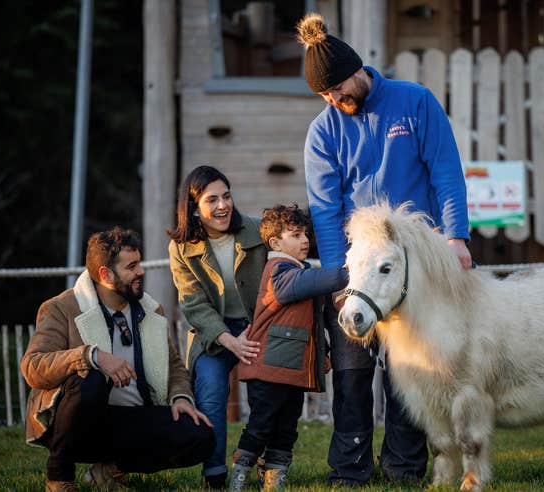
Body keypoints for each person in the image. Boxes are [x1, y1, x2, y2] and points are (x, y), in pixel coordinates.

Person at [296, 12, 473, 486]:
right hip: (361, 269)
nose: (335, 99)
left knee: (407, 373)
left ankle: (402, 468)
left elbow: (446, 173)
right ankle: (349, 470)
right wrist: (339, 279)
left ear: (357, 69)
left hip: (417, 265)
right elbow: (326, 211)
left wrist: (456, 237)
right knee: (352, 374)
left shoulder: (415, 102)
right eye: (325, 95)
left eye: (338, 88)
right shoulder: (323, 132)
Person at [22, 227, 215, 492]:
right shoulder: (62, 307)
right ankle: (59, 478)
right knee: (89, 380)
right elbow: (33, 366)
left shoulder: (151, 310)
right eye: (132, 266)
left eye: (140, 263)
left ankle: (109, 470)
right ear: (106, 274)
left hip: (132, 420)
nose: (141, 272)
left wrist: (181, 396)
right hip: (79, 424)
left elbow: (174, 366)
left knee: (201, 436)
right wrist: (92, 356)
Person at [228, 204, 348, 490]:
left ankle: (274, 477)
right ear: (275, 242)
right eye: (295, 235)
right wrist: (350, 273)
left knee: (286, 428)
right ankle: (239, 475)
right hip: (269, 372)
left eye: (306, 234)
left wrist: (322, 355)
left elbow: (310, 325)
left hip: (290, 372)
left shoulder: (299, 271)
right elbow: (302, 285)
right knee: (261, 425)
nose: (305, 240)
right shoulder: (279, 271)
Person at [167, 165, 268, 489]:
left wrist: (252, 332)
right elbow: (193, 305)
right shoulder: (181, 248)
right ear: (194, 208)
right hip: (213, 332)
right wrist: (229, 340)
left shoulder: (256, 230)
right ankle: (215, 474)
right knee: (210, 389)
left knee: (267, 393)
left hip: (257, 325)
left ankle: (267, 460)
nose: (223, 205)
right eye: (212, 200)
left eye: (227, 196)